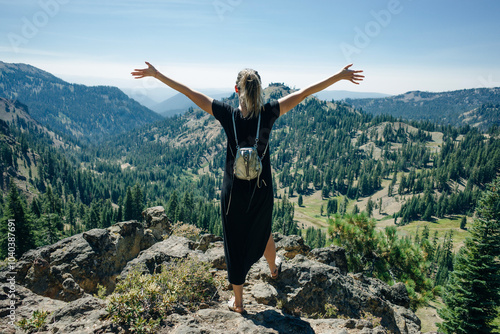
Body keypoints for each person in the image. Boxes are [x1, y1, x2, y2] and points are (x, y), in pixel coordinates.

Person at [131, 62, 364, 314]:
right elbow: (305, 92)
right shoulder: (269, 112)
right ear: (259, 91)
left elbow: (189, 92)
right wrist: (339, 76)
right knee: (262, 230)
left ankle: (239, 302)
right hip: (261, 189)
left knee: (234, 241)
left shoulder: (227, 114)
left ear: (236, 89)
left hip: (233, 192)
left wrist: (157, 75)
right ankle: (274, 270)